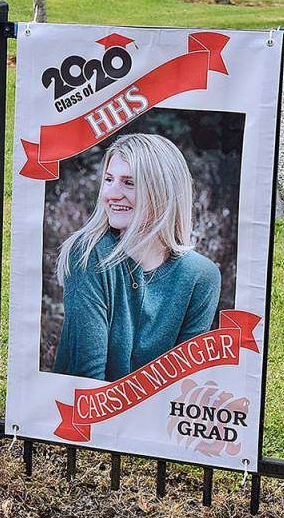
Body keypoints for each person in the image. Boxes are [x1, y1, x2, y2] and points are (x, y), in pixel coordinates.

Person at [52, 133, 221, 382]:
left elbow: (185, 383)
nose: (112, 194)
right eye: (109, 179)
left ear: (163, 191)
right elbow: (86, 378)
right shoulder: (88, 254)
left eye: (129, 183)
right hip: (87, 414)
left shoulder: (201, 276)